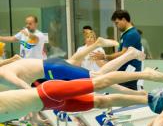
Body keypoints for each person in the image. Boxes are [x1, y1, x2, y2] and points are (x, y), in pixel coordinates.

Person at [0, 70, 163, 122]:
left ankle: (146, 73)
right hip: (49, 104)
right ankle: (149, 99)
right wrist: (34, 115)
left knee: (100, 83)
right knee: (101, 102)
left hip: (48, 92)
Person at [0, 47, 152, 92]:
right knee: (97, 83)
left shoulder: (5, 73)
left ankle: (130, 54)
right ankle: (138, 94)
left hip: (54, 69)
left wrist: (35, 106)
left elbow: (26, 89)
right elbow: (16, 60)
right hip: (52, 67)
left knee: (98, 77)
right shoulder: (5, 68)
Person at [103, 10, 142, 90]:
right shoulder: (127, 34)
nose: (116, 26)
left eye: (117, 23)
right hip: (125, 71)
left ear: (124, 20)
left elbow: (123, 53)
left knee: (126, 96)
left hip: (128, 71)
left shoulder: (132, 34)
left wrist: (106, 57)